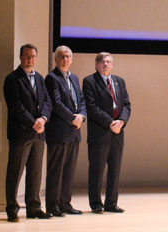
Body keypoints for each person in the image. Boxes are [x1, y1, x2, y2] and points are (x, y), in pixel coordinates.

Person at [3, 44, 52, 222]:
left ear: (36, 58)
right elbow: (15, 106)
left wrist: (43, 119)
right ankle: (11, 208)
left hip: (39, 133)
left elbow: (47, 101)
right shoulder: (12, 79)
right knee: (15, 172)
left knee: (35, 172)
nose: (29, 59)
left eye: (32, 56)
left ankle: (34, 207)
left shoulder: (40, 78)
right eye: (26, 56)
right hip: (21, 133)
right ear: (20, 57)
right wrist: (33, 122)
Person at [82, 52, 131, 214]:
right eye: (102, 62)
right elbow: (92, 107)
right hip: (100, 132)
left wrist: (121, 122)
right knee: (97, 169)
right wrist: (111, 122)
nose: (105, 64)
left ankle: (111, 203)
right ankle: (96, 203)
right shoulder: (90, 81)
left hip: (118, 132)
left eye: (108, 62)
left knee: (115, 169)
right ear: (96, 65)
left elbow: (126, 105)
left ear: (112, 65)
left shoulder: (119, 81)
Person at [44, 46, 86, 216]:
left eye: (68, 56)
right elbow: (56, 103)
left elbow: (81, 100)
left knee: (69, 170)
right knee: (56, 170)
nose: (65, 59)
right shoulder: (51, 78)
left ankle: (65, 203)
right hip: (59, 131)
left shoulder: (74, 78)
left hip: (74, 131)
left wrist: (81, 116)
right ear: (56, 59)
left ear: (72, 59)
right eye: (62, 56)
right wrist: (72, 118)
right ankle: (53, 205)